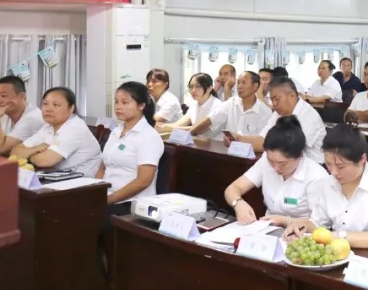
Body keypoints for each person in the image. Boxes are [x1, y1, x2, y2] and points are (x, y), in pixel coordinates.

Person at [285, 125, 368, 249]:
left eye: (341, 166)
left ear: (362, 159)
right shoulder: (328, 183)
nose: (333, 172)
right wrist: (302, 226)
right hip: (336, 257)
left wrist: (339, 236)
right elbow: (317, 224)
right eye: (328, 164)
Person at [223, 114, 329, 228]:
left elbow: (319, 225)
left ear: (300, 155)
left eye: (283, 164)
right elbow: (232, 189)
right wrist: (238, 203)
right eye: (271, 161)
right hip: (267, 230)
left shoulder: (316, 176)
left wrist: (284, 221)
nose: (276, 168)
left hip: (302, 236)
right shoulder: (265, 161)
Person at [97, 81, 164, 209]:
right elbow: (102, 168)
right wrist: (94, 193)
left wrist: (108, 200)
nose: (118, 106)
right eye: (116, 101)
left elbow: (143, 181)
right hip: (106, 196)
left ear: (141, 105)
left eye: (125, 102)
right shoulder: (116, 131)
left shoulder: (148, 136)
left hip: (131, 203)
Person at [11, 87, 102, 177]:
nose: (48, 109)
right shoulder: (48, 127)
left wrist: (27, 155)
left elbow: (44, 161)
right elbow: (15, 152)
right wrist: (34, 150)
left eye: (56, 105)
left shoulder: (75, 127)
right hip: (58, 178)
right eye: (45, 104)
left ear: (71, 109)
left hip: (86, 185)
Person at [239, 77, 325, 160]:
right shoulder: (279, 112)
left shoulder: (309, 116)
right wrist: (238, 139)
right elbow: (263, 139)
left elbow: (289, 148)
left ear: (292, 96)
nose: (274, 104)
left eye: (277, 99)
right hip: (283, 162)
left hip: (310, 165)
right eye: (272, 100)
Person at [0, 75, 44, 155]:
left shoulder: (32, 118)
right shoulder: (5, 114)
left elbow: (0, 149)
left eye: (4, 96)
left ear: (22, 96)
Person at [199, 71, 272, 139]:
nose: (239, 86)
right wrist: (190, 133)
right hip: (227, 150)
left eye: (243, 82)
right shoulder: (231, 102)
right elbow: (210, 120)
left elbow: (261, 141)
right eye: (238, 82)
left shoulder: (265, 112)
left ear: (255, 86)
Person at [158, 73, 222, 139]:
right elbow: (179, 124)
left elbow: (197, 130)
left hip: (214, 147)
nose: (193, 90)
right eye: (191, 87)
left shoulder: (218, 107)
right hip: (197, 144)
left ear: (209, 88)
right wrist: (162, 126)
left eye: (198, 86)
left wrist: (166, 128)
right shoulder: (194, 104)